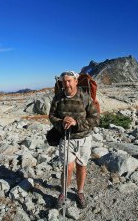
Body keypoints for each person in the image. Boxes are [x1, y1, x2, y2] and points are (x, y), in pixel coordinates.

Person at [49, 70, 100, 209]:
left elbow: (95, 118)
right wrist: (62, 122)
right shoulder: (58, 98)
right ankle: (63, 193)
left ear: (76, 81)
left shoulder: (85, 98)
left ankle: (80, 192)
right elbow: (52, 116)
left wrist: (76, 123)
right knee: (68, 167)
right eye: (64, 81)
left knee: (81, 166)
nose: (67, 84)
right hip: (66, 138)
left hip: (83, 138)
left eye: (69, 81)